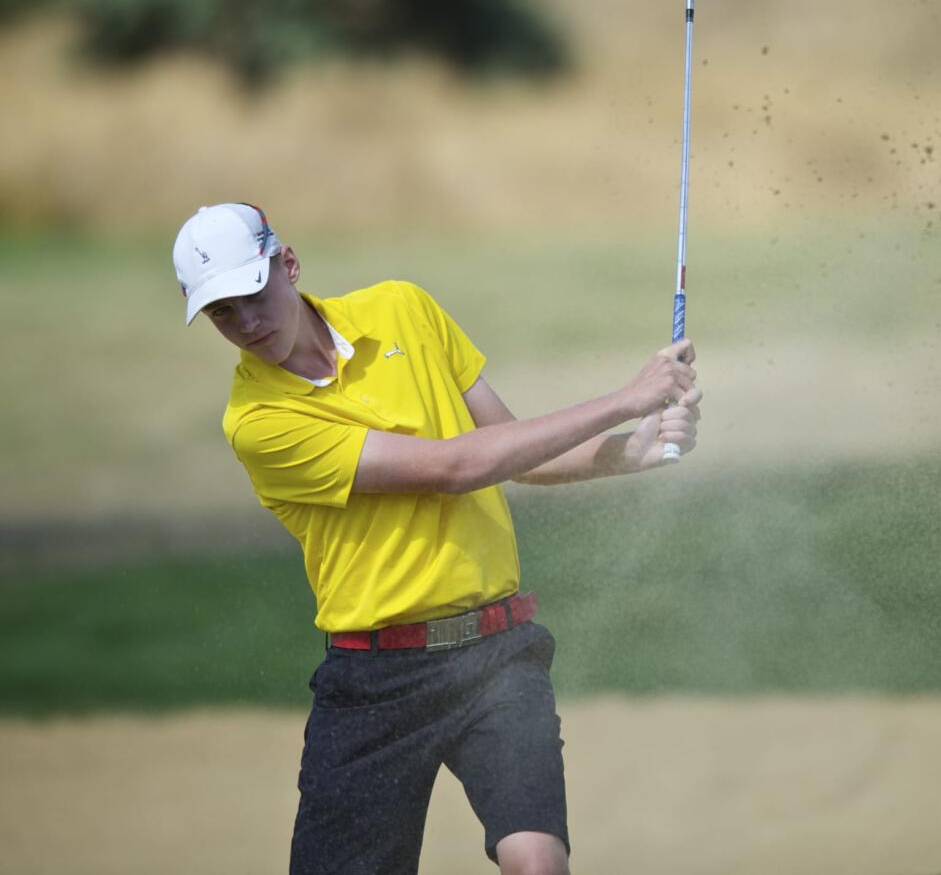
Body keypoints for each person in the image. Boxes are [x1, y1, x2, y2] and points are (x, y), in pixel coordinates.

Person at [172, 203, 702, 875]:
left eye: (252, 295)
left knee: (537, 864)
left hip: (496, 655)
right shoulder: (259, 421)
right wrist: (625, 399)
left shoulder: (403, 309)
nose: (246, 323)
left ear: (289, 265)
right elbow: (455, 468)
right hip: (375, 681)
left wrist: (630, 451)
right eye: (222, 314)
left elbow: (515, 452)